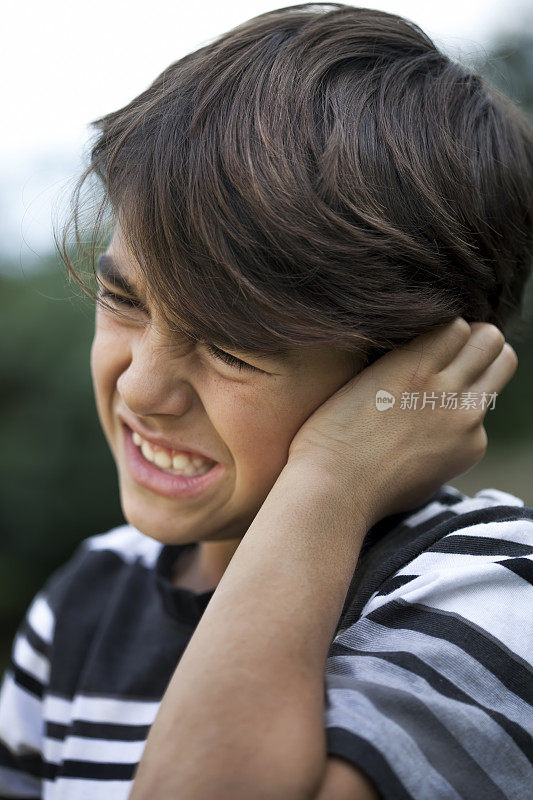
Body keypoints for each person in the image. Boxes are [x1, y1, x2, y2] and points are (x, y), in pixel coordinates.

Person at [1, 3, 532, 798]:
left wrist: (333, 482)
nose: (141, 386)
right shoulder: (88, 596)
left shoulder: (488, 588)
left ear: (421, 368)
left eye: (231, 348)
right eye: (124, 302)